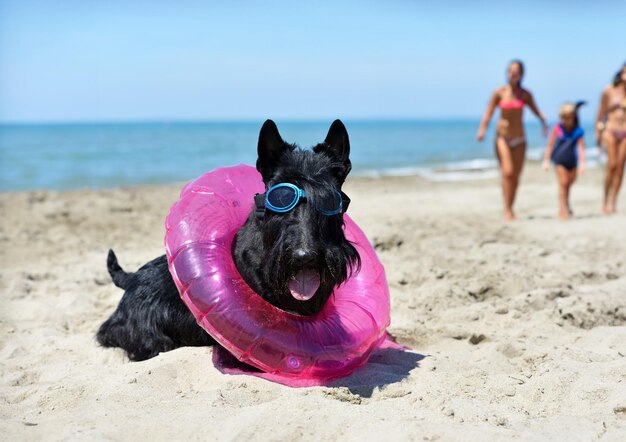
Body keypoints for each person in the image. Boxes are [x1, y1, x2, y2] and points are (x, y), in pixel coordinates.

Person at [477, 60, 549, 220]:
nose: (512, 74)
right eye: (510, 71)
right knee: (507, 172)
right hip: (502, 138)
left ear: (521, 74)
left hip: (520, 138)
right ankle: (506, 208)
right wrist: (482, 130)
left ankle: (510, 206)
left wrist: (544, 123)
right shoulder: (499, 92)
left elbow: (536, 111)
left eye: (516, 71)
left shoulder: (525, 94)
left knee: (516, 176)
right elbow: (488, 113)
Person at [542, 102, 586, 219]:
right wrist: (546, 161)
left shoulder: (578, 131)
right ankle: (563, 209)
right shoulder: (558, 128)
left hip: (572, 161)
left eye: (569, 117)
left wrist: (582, 164)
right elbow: (550, 145)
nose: (566, 120)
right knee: (563, 183)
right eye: (563, 117)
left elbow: (581, 149)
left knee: (569, 184)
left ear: (573, 116)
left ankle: (566, 203)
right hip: (559, 160)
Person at [595, 62, 626, 214]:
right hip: (611, 130)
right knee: (611, 166)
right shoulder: (609, 90)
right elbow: (600, 114)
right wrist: (598, 134)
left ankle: (614, 201)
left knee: (620, 169)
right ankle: (605, 200)